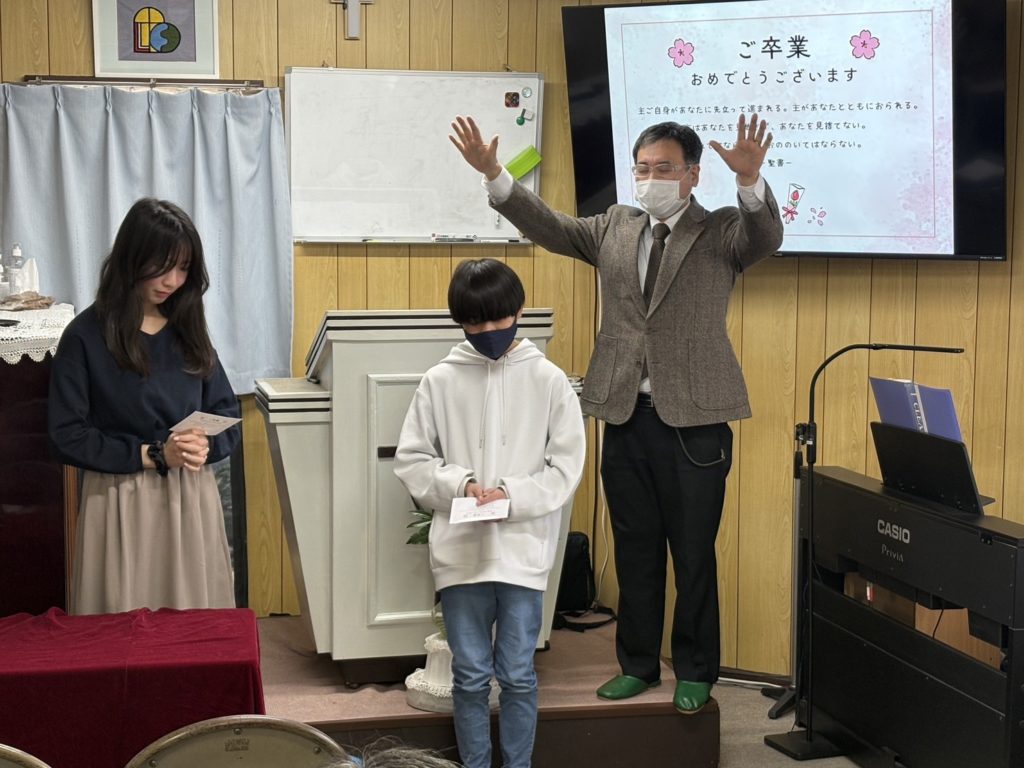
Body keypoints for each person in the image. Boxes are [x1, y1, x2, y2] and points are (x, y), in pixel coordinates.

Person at [450, 114, 784, 713]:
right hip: (625, 410)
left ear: (692, 174)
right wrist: (496, 175)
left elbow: (764, 238)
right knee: (634, 547)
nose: (651, 178)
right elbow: (550, 227)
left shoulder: (721, 230)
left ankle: (695, 669)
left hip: (695, 418)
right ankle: (637, 665)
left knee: (693, 551)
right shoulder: (615, 225)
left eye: (664, 168)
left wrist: (750, 181)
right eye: (643, 168)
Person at [394, 258, 586, 768]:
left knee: (518, 675)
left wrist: (509, 495)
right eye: (473, 322)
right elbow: (412, 459)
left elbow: (566, 467)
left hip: (523, 551)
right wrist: (461, 484)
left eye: (498, 319)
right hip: (461, 552)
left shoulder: (549, 380)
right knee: (470, 675)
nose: (487, 331)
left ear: (519, 311)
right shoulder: (440, 380)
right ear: (459, 320)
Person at [48, 197, 240, 615]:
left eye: (183, 268)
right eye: (162, 265)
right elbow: (66, 435)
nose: (172, 280)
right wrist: (153, 455)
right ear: (131, 257)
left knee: (191, 623)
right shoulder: (85, 336)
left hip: (190, 497)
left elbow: (227, 414)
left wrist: (205, 445)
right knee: (121, 623)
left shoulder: (189, 330)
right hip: (119, 499)